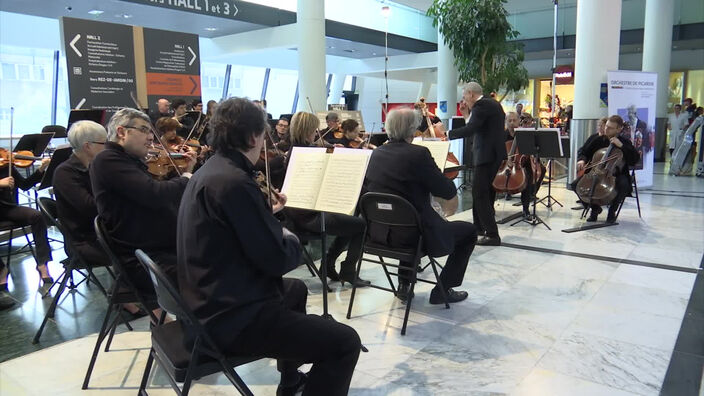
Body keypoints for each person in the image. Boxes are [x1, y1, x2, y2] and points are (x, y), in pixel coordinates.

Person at [177, 97, 361, 396]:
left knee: (296, 290)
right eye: (263, 134)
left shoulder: (210, 171)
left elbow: (232, 230)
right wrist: (286, 231)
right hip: (231, 317)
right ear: (252, 137)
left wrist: (263, 214)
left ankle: (289, 382)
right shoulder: (235, 183)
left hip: (205, 299)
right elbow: (278, 259)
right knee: (344, 343)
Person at [364, 108, 477, 304]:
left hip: (378, 234)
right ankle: (443, 289)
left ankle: (404, 285)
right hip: (414, 236)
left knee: (405, 217)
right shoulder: (419, 154)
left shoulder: (377, 154)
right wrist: (435, 172)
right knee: (468, 232)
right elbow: (448, 191)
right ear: (412, 130)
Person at [90, 108, 196, 298]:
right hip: (144, 260)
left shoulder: (128, 160)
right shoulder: (107, 160)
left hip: (158, 250)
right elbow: (154, 194)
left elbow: (153, 193)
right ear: (122, 132)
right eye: (144, 130)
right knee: (216, 273)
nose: (151, 138)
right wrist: (187, 177)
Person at [283, 111, 369, 286]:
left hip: (298, 213)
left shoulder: (293, 151)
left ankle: (328, 265)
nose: (316, 133)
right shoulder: (311, 153)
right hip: (309, 215)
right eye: (314, 130)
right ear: (308, 130)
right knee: (361, 226)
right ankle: (346, 270)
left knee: (351, 220)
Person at [448, 82, 507, 246]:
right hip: (491, 154)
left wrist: (447, 134)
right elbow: (478, 126)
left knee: (480, 193)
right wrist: (467, 115)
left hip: (487, 155)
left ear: (471, 94)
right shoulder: (490, 104)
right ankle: (479, 228)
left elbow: (470, 129)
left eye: (465, 96)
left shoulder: (481, 106)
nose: (464, 99)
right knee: (482, 192)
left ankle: (492, 234)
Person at [0, 153, 53, 308]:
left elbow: (24, 185)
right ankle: (2, 270)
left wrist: (41, 169)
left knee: (37, 216)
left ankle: (42, 263)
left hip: (8, 208)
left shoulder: (5, 164)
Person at [574, 115, 639, 223]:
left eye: (610, 128)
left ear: (619, 129)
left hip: (616, 174)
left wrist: (621, 146)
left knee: (623, 185)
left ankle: (612, 211)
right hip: (596, 171)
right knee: (576, 185)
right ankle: (595, 208)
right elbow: (584, 151)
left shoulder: (624, 142)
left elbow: (634, 159)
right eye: (606, 126)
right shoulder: (599, 140)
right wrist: (582, 160)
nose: (606, 129)